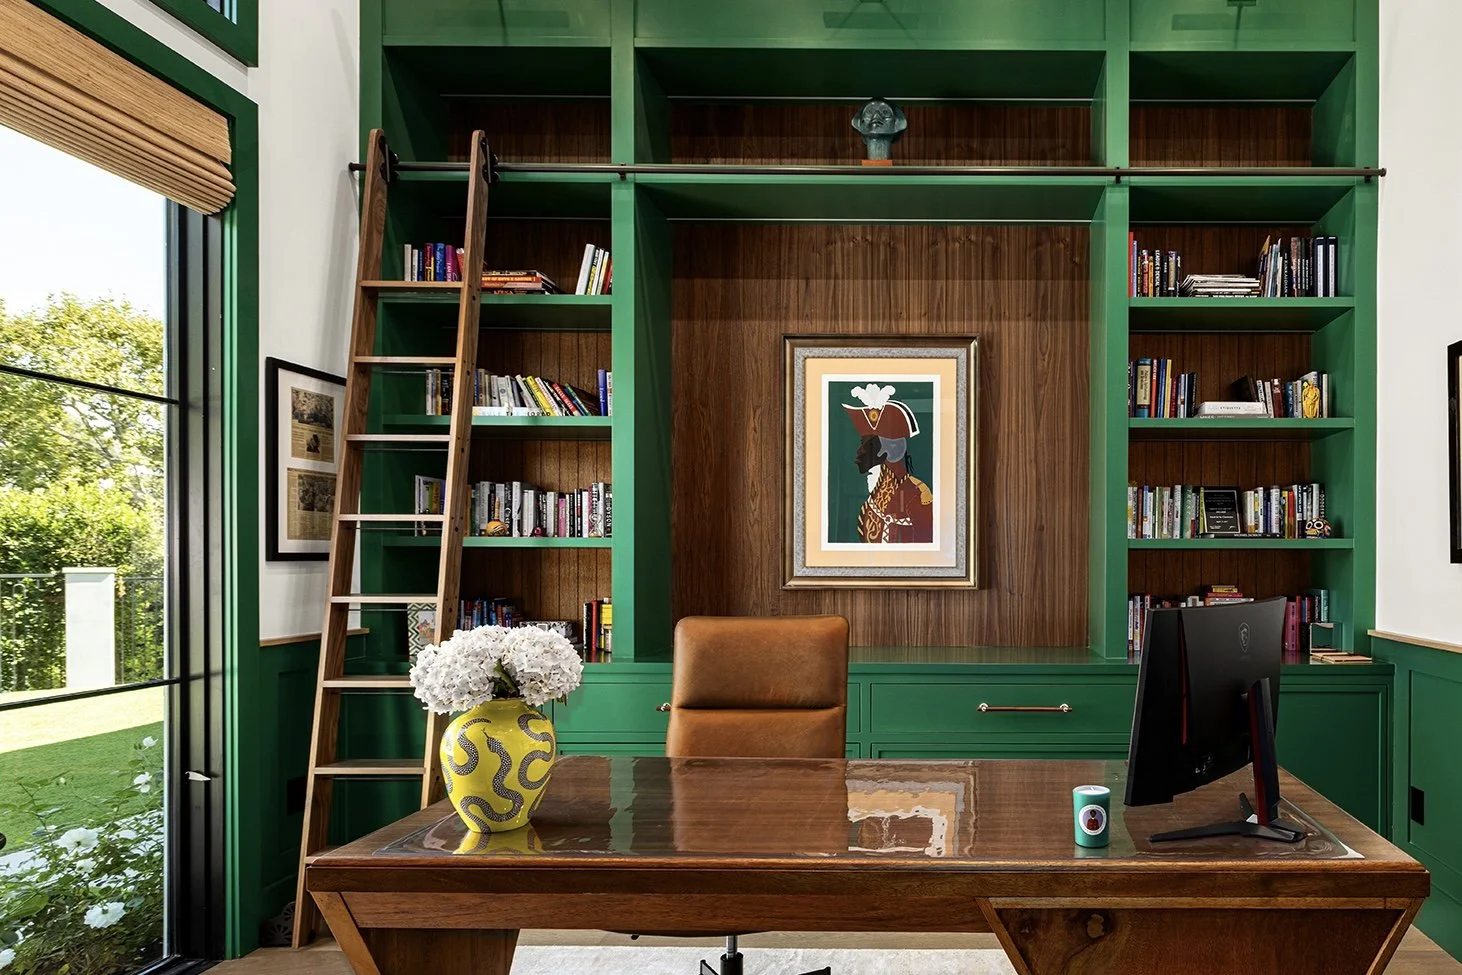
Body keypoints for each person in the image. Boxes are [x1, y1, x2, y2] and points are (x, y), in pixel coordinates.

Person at [842, 383, 933, 544]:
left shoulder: (917, 495)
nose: (859, 451)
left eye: (867, 445)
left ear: (891, 449)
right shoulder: (875, 497)